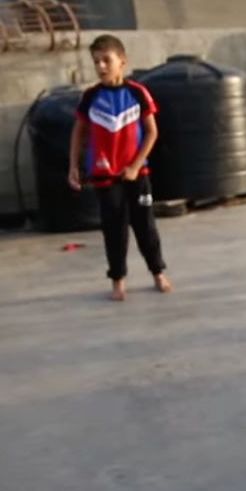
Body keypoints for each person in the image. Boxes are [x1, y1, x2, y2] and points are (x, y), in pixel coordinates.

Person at [68, 34, 172, 300]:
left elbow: (151, 133)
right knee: (114, 230)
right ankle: (118, 278)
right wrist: (73, 168)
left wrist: (135, 166)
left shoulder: (137, 93)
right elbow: (78, 133)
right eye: (96, 62)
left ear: (122, 61)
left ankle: (158, 272)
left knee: (145, 227)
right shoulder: (90, 97)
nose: (101, 66)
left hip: (137, 175)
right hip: (105, 177)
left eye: (107, 60)